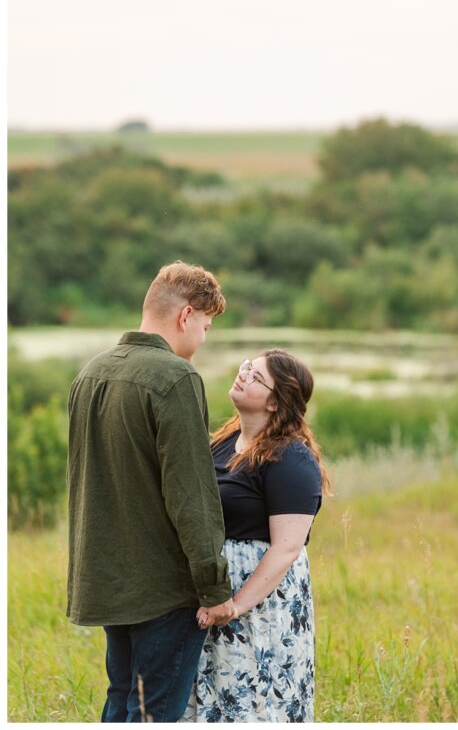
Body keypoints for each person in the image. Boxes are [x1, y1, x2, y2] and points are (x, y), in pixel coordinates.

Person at [66, 261, 237, 723]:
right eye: (204, 326)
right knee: (153, 714)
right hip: (164, 588)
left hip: (107, 580)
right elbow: (192, 496)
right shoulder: (175, 379)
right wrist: (214, 587)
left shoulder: (90, 374)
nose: (201, 340)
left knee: (121, 700)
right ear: (185, 317)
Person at [183, 349, 330, 722]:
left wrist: (236, 605)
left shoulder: (290, 457)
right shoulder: (222, 442)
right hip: (216, 595)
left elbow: (287, 547)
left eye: (257, 377)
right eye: (248, 366)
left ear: (275, 403)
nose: (244, 374)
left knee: (255, 703)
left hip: (261, 605)